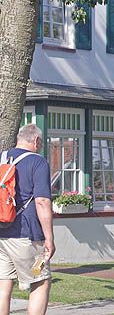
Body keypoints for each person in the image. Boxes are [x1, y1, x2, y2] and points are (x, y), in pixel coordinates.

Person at [0, 124, 55, 315]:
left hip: (1, 234)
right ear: (36, 140)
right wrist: (49, 238)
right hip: (27, 236)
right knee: (39, 280)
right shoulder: (37, 162)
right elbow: (41, 202)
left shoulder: (2, 158)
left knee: (3, 284)